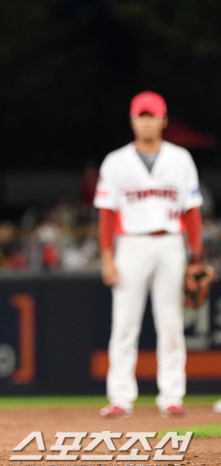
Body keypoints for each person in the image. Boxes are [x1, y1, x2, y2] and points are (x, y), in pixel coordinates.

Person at [95, 91, 214, 418]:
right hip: (130, 244)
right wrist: (107, 257)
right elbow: (106, 214)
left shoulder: (180, 158)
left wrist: (197, 255)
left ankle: (172, 396)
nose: (146, 121)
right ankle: (120, 397)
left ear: (163, 120)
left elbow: (191, 211)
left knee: (171, 323)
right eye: (141, 116)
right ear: (133, 120)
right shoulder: (116, 161)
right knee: (124, 324)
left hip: (170, 243)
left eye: (152, 116)